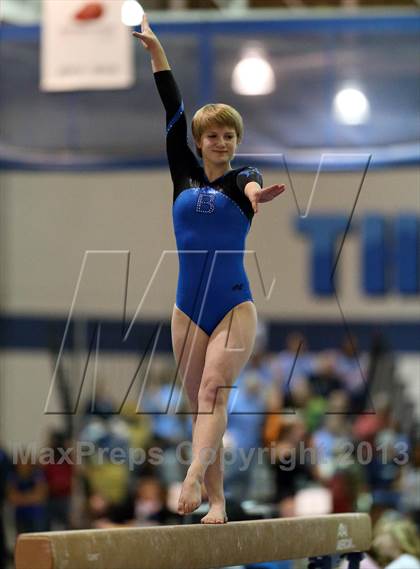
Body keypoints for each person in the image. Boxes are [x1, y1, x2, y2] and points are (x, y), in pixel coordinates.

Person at [133, 13, 285, 524]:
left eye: (229, 136)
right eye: (214, 135)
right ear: (199, 141)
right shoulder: (183, 175)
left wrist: (255, 197)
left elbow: (252, 183)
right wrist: (157, 52)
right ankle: (216, 501)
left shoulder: (244, 177)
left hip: (233, 307)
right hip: (186, 309)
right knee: (202, 406)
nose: (222, 142)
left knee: (212, 392)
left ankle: (195, 475)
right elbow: (172, 107)